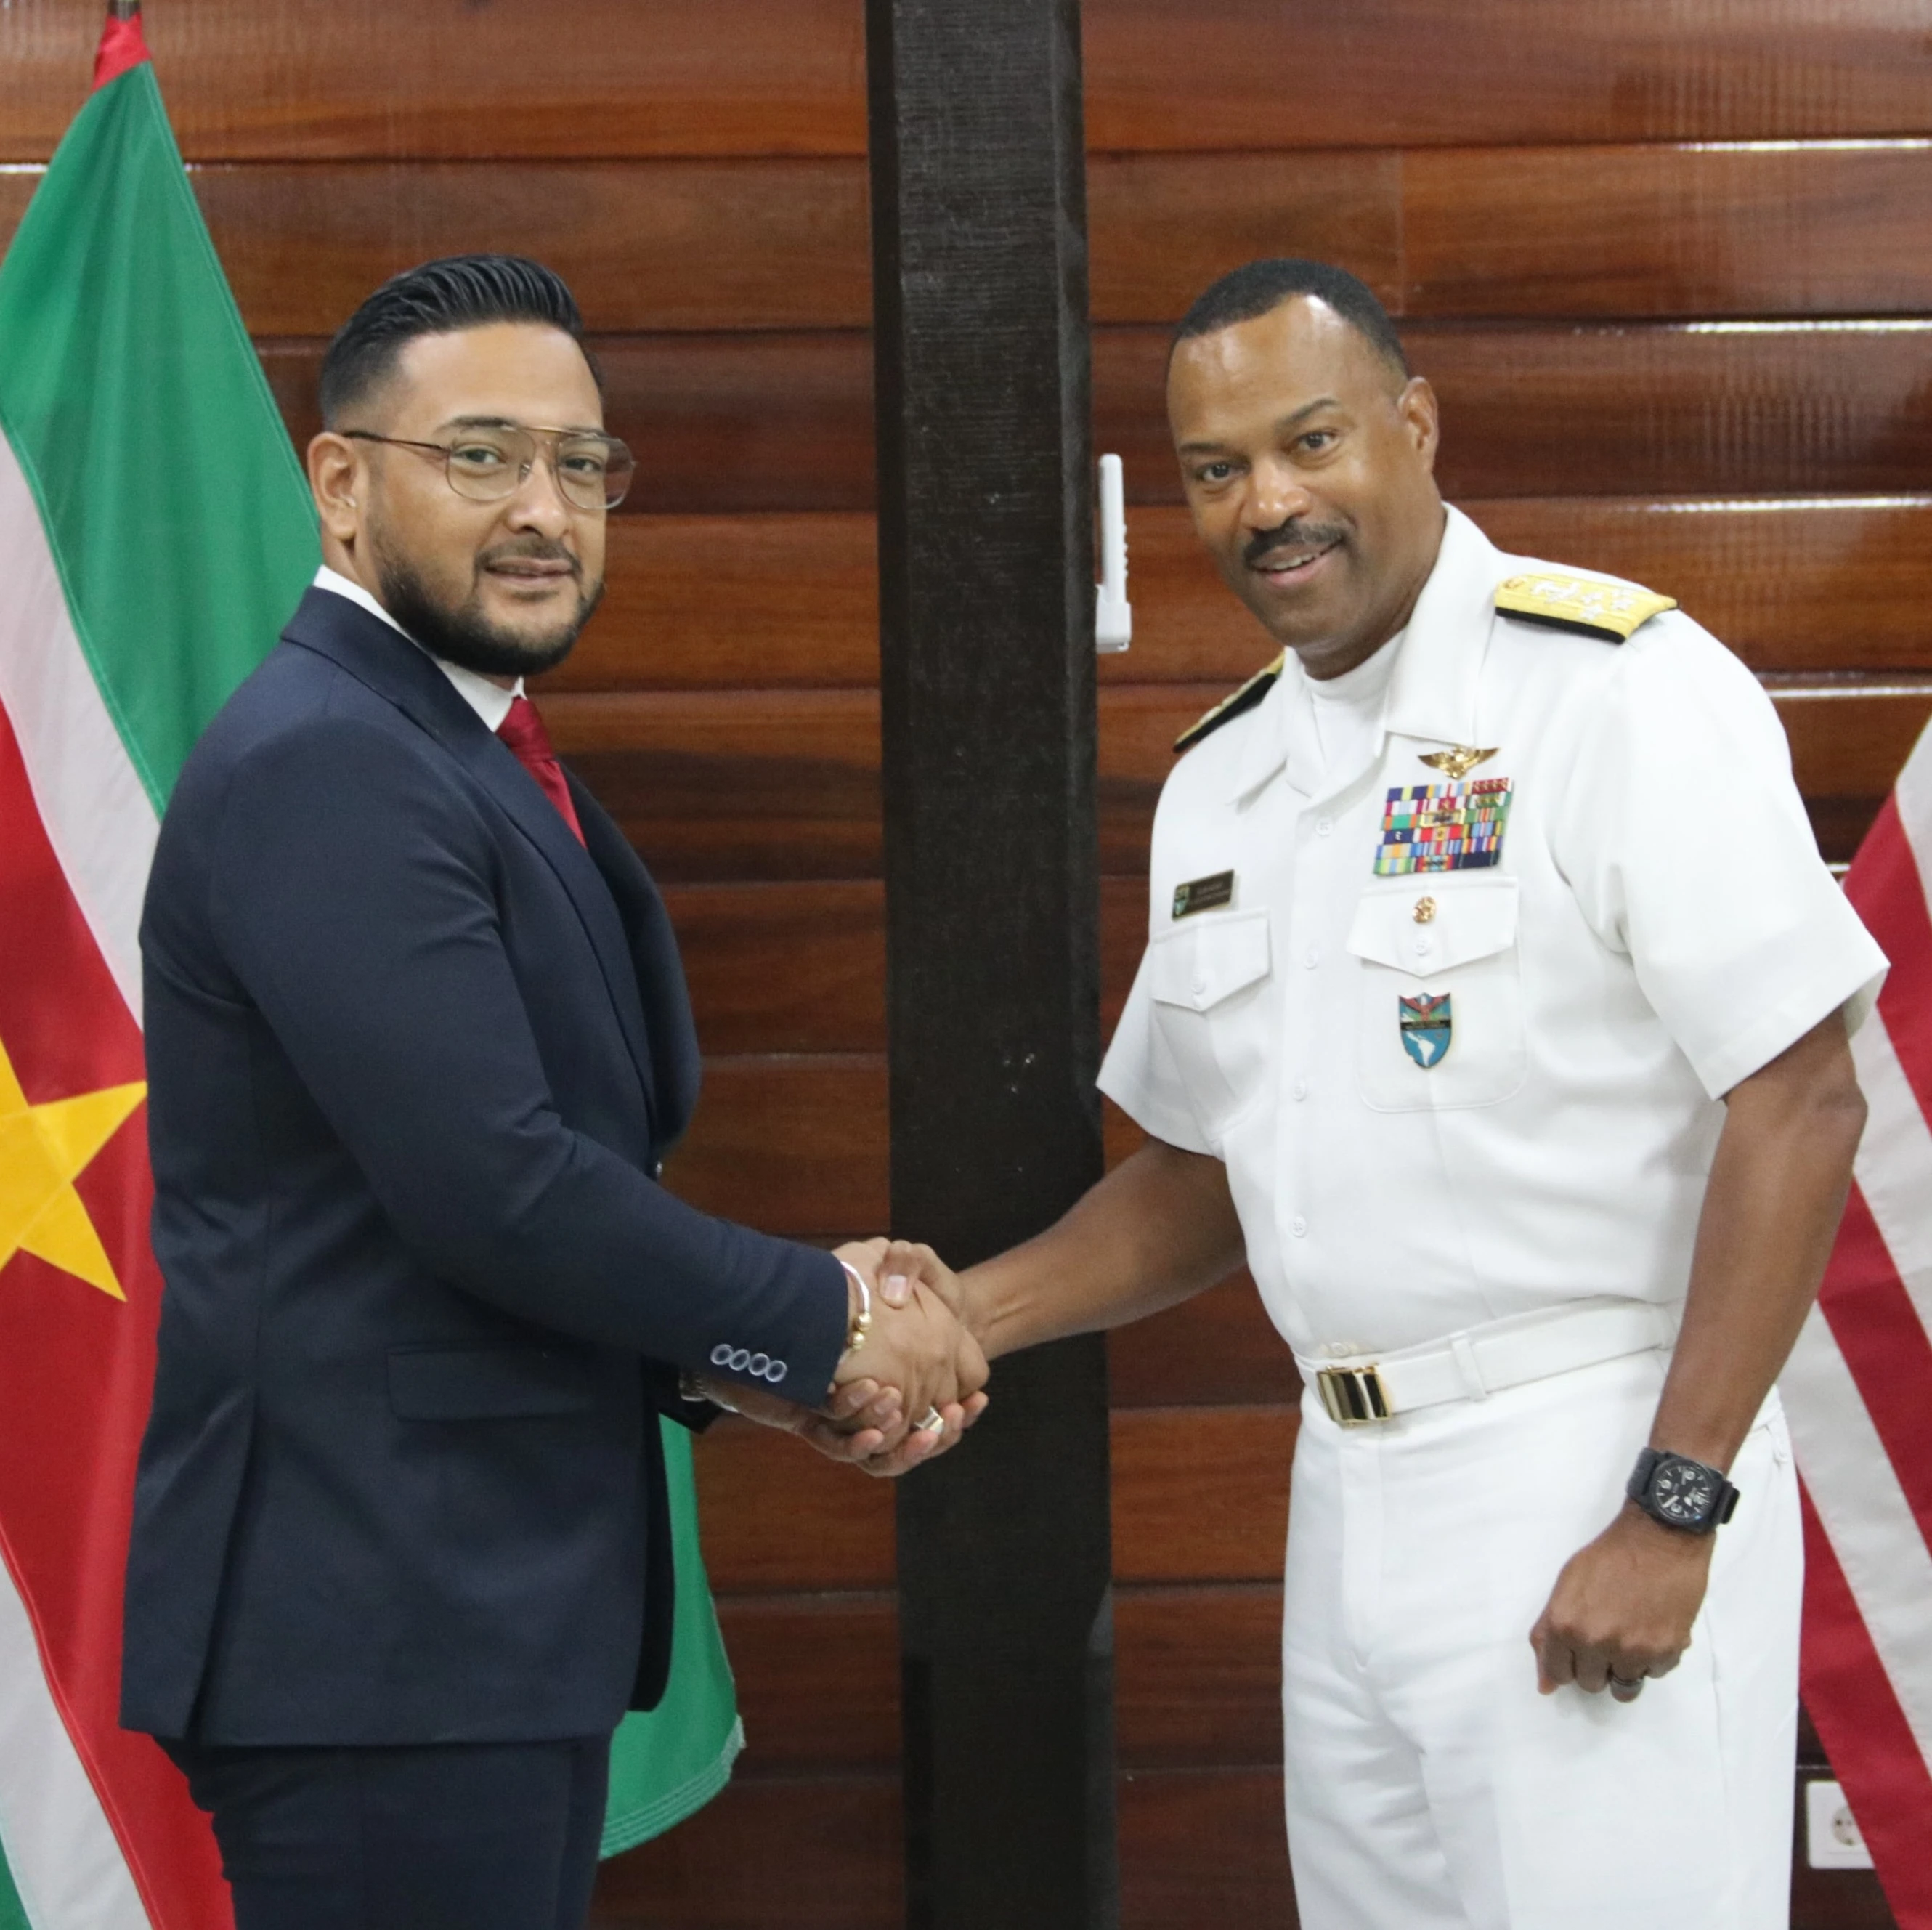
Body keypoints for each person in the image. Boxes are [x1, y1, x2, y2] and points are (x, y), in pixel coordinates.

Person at [879, 259, 1886, 1926]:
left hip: (1593, 1453)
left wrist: (1675, 1501)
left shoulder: (1615, 690)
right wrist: (957, 1313)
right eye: (1216, 469)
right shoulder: (1224, 781)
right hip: (1345, 1492)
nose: (1268, 502)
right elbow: (1212, 1172)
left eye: (1311, 439)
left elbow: (1801, 1095)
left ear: (1413, 424)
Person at [121, 254, 983, 1930]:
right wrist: (821, 1314)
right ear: (342, 482)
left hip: (459, 1627)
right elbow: (497, 1187)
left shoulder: (460, 745)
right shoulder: (332, 758)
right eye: (484, 456)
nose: (545, 508)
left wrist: (758, 1363)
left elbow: (502, 1196)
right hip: (381, 1631)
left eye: (583, 465)